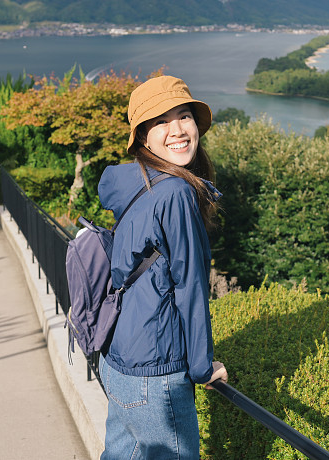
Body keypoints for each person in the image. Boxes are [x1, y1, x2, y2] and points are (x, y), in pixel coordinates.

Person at [97, 75, 228, 459]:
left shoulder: (138, 181)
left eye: (184, 116)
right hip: (155, 373)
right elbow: (190, 286)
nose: (178, 130)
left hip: (118, 362)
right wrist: (202, 368)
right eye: (160, 121)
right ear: (142, 137)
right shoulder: (175, 193)